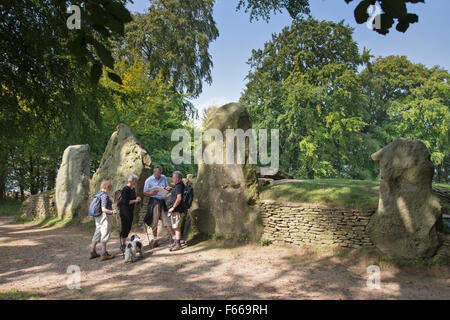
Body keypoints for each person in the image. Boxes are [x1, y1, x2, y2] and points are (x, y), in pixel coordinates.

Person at [143, 165, 173, 247]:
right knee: (154, 221)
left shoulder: (163, 177)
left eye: (160, 173)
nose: (159, 175)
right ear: (154, 172)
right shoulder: (149, 180)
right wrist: (151, 193)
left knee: (166, 220)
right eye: (158, 173)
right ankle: (155, 239)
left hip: (162, 201)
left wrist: (168, 188)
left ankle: (174, 238)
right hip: (154, 201)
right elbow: (145, 192)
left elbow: (166, 187)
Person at [90, 180, 117, 261]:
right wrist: (112, 211)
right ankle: (104, 253)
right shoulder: (104, 195)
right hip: (104, 216)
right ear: (107, 187)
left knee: (97, 232)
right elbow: (103, 209)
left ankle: (92, 251)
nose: (111, 189)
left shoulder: (98, 194)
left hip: (97, 216)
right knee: (105, 233)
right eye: (110, 187)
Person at [118, 174, 142, 253]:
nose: (136, 182)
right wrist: (135, 200)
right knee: (125, 227)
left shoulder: (132, 189)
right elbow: (125, 201)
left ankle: (123, 243)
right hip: (124, 211)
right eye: (135, 180)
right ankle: (122, 244)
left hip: (130, 211)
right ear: (131, 180)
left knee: (128, 227)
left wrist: (137, 198)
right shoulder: (126, 189)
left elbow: (133, 198)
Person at [167, 171, 186, 252]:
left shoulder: (178, 186)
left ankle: (178, 245)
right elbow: (177, 193)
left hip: (177, 210)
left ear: (177, 178)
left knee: (176, 227)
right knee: (176, 227)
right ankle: (176, 242)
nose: (172, 179)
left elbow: (179, 198)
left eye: (173, 177)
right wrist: (171, 189)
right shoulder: (179, 185)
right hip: (178, 210)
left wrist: (173, 208)